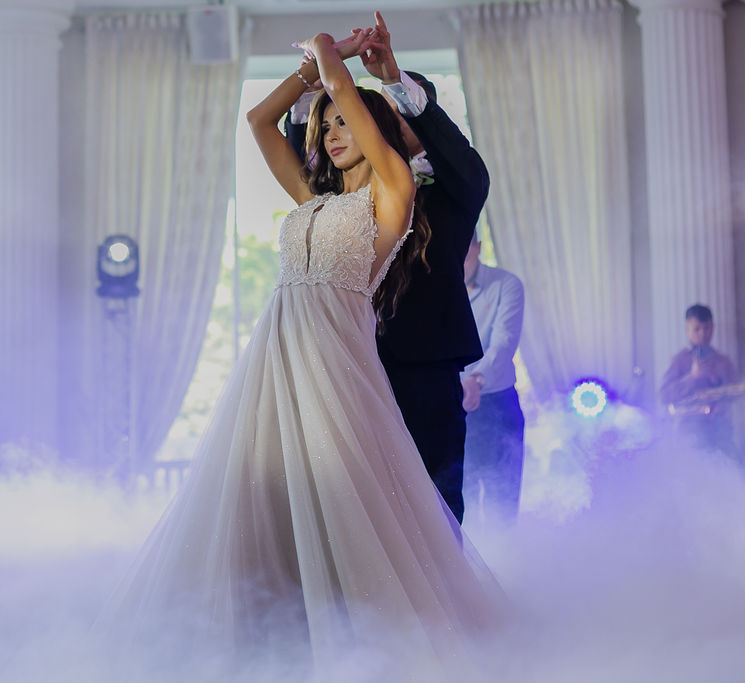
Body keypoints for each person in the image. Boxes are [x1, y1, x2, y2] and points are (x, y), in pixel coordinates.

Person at [98, 28, 505, 678]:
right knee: (268, 494)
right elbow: (259, 121)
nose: (331, 132)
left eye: (346, 123)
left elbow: (351, 94)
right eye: (327, 125)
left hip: (340, 361)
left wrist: (330, 50)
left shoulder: (394, 192)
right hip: (276, 356)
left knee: (374, 505)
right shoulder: (316, 203)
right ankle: (271, 636)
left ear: (380, 130)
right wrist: (308, 81)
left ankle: (390, 641)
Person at [285, 12, 487, 524]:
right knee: (352, 511)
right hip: (347, 363)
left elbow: (454, 153)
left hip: (423, 367)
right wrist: (316, 70)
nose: (379, 121)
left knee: (432, 505)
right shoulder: (345, 194)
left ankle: (439, 602)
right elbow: (299, 146)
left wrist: (393, 79)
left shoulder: (454, 192)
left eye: (395, 111)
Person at [460, 233, 525, 522]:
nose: (459, 258)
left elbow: (504, 343)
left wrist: (475, 380)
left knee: (503, 502)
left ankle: (504, 562)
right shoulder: (434, 288)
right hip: (453, 408)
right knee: (461, 501)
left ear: (479, 247)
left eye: (465, 250)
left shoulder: (506, 285)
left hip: (498, 404)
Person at [659, 304, 737, 452]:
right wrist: (692, 377)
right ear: (687, 329)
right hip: (688, 434)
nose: (703, 333)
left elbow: (735, 394)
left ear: (713, 327)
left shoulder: (723, 362)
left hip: (719, 432)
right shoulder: (678, 361)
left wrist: (716, 380)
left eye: (707, 328)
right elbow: (664, 395)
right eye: (697, 329)